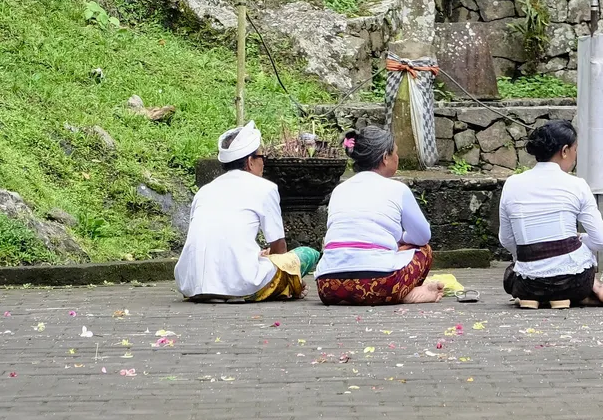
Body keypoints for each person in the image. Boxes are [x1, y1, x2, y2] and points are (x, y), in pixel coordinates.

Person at [498, 119, 603, 307]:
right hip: (572, 283)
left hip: (528, 285)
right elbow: (601, 241)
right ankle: (592, 292)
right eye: (575, 150)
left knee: (510, 275)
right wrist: (579, 239)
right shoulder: (577, 185)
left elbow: (506, 239)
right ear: (565, 151)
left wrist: (528, 258)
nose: (575, 155)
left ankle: (535, 299)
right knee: (576, 260)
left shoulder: (512, 184)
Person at [175, 122, 318, 301]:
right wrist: (288, 274)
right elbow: (279, 248)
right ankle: (288, 286)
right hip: (240, 284)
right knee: (307, 254)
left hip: (191, 283)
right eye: (261, 157)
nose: (263, 164)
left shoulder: (204, 191)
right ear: (250, 162)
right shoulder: (265, 188)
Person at [315, 126, 445, 305]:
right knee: (424, 250)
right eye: (395, 153)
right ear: (385, 157)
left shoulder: (339, 190)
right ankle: (405, 293)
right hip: (378, 284)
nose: (397, 158)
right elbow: (423, 236)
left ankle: (398, 293)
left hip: (329, 286)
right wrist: (401, 239)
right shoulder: (398, 189)